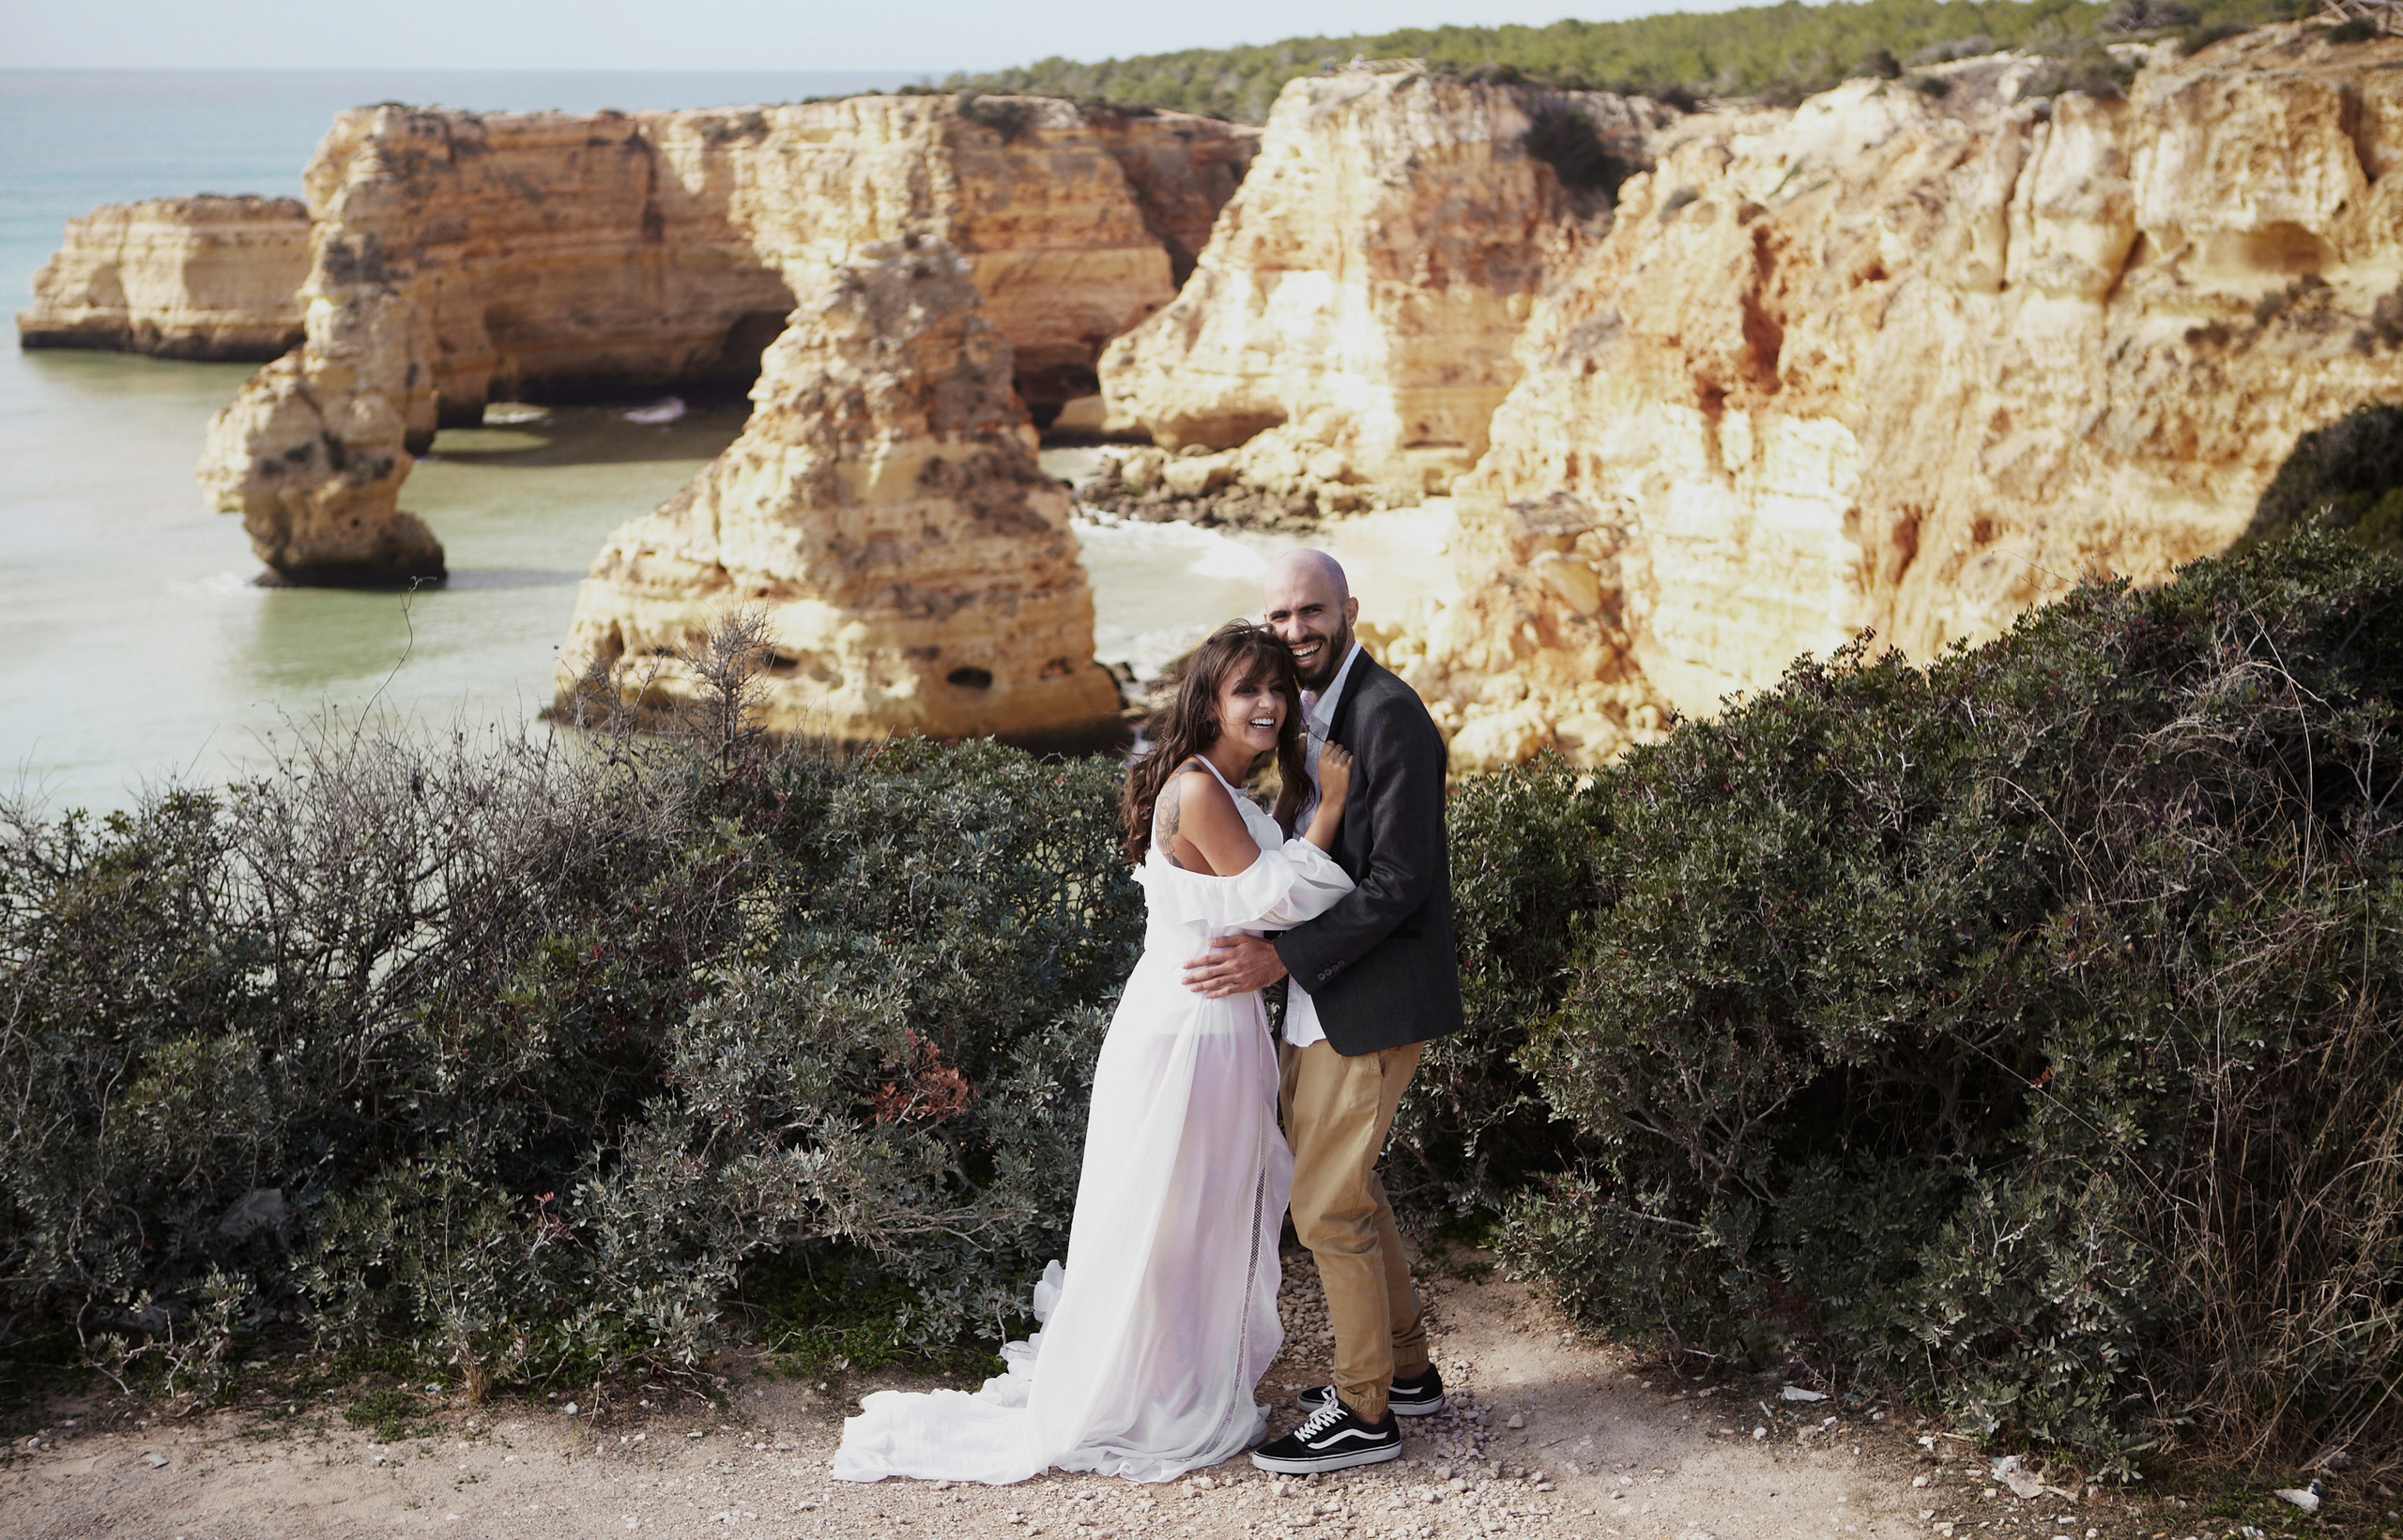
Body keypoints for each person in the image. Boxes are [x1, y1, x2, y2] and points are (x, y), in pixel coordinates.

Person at [833, 621, 1357, 1486]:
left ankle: (1175, 1376)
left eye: (1277, 688)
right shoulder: (1199, 791)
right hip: (1192, 1032)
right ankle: (1158, 1393)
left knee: (1189, 1210)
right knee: (1176, 1215)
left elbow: (1249, 884)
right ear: (1210, 701)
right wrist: (1331, 806)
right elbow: (1277, 898)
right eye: (1247, 689)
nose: (1268, 703)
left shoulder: (1216, 783)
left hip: (1201, 1018)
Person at [1185, 548, 1464, 1475]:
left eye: (1311, 611)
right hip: (1325, 996)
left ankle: (1363, 1410)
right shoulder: (1310, 713)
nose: (1295, 629)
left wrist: (1280, 957)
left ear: (1349, 609)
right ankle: (1407, 1371)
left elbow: (1401, 879)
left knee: (1326, 1206)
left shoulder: (1387, 715)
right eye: (1280, 616)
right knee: (1349, 1188)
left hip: (1370, 998)